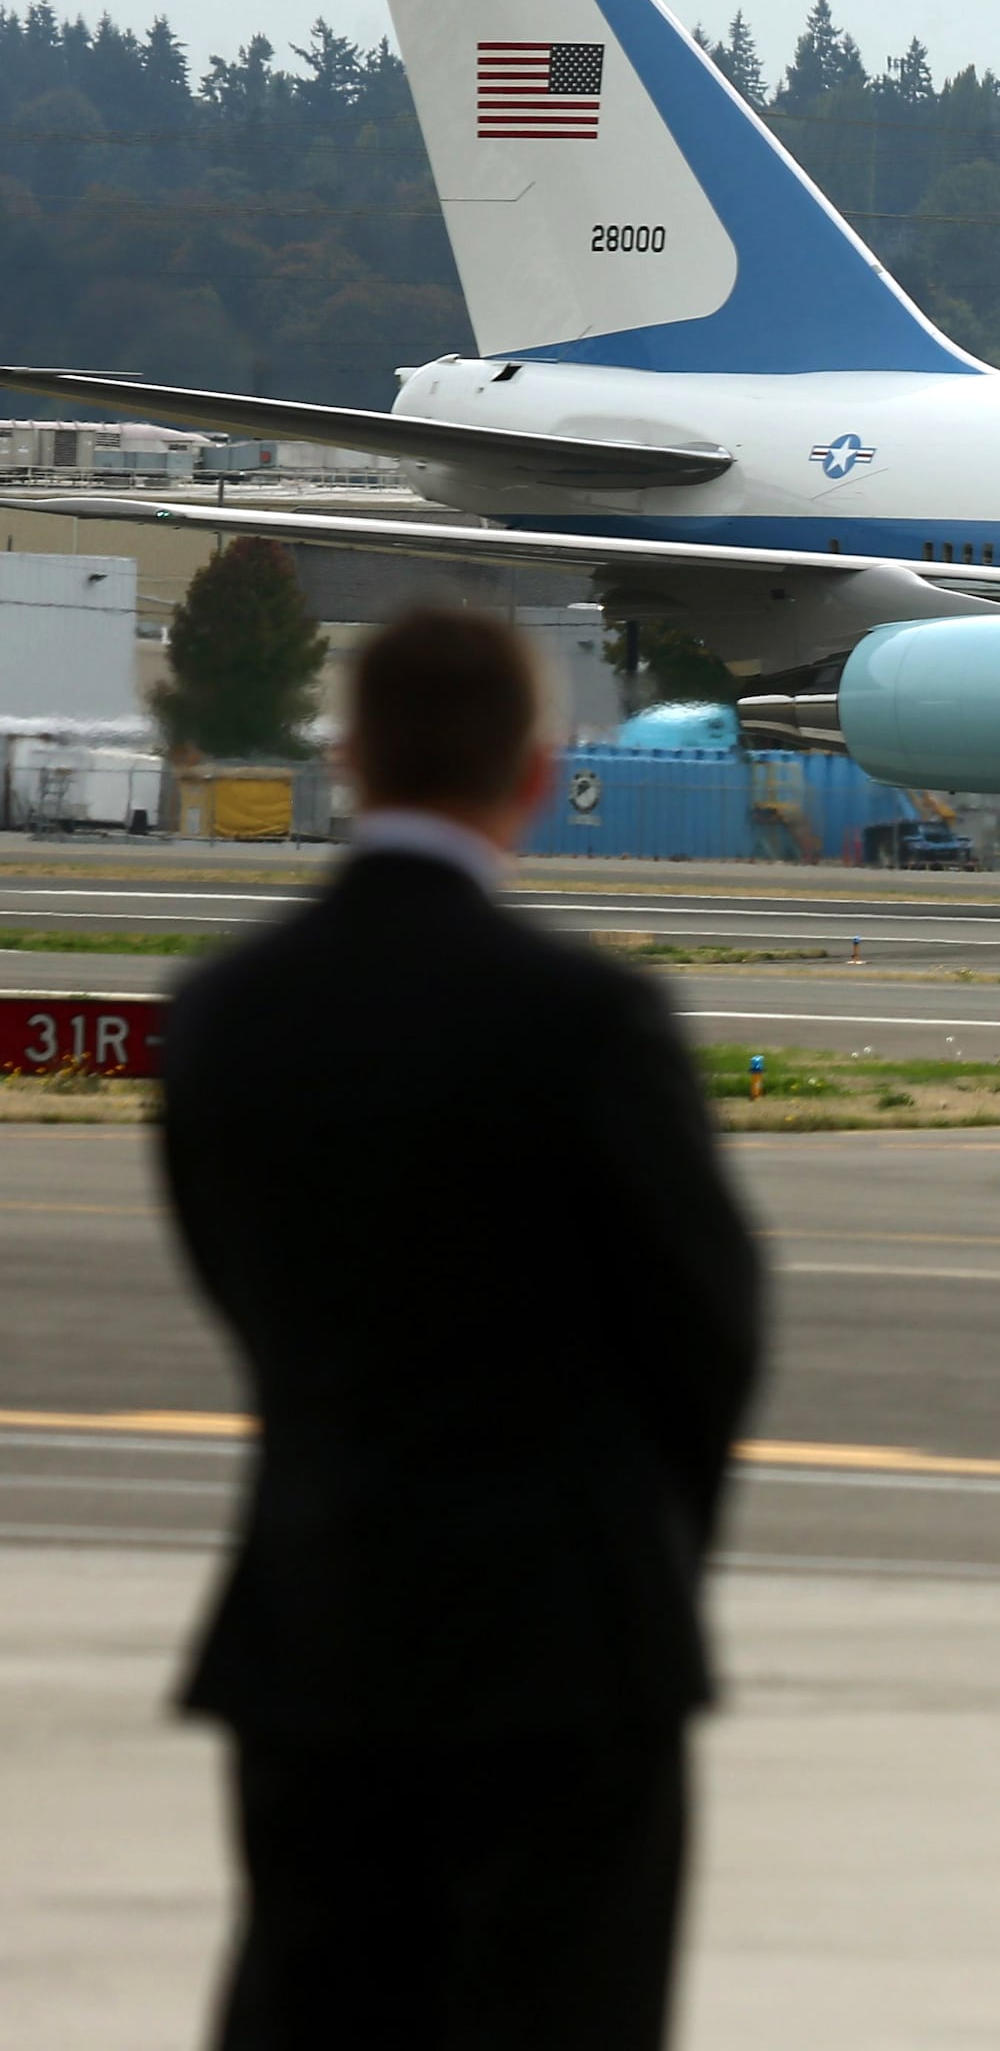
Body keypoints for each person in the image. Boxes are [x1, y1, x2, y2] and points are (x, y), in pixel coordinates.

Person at [160, 607, 763, 2050]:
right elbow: (708, 1326)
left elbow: (238, 1280)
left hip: (317, 1617)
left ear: (348, 756)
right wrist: (632, 1535)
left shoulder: (227, 1012)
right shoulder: (589, 1018)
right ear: (537, 774)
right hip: (566, 1640)